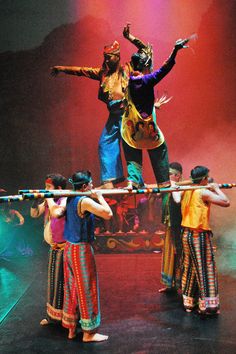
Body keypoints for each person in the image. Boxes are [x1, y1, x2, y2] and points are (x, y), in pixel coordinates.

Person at [50, 24, 149, 188]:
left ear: (117, 56)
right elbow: (81, 71)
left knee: (130, 147)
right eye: (105, 57)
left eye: (109, 57)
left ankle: (136, 180)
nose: (106, 60)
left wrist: (129, 37)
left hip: (127, 115)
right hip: (113, 116)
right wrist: (62, 69)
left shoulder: (128, 68)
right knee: (105, 144)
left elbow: (145, 50)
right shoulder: (103, 73)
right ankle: (110, 179)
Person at [47, 170, 112, 341]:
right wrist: (100, 196)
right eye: (90, 183)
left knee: (72, 289)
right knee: (86, 288)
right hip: (81, 250)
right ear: (84, 186)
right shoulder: (84, 201)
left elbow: (57, 212)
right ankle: (89, 333)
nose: (93, 185)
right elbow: (108, 214)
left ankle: (71, 329)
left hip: (69, 248)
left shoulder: (69, 197)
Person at [121, 37, 190, 189]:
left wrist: (153, 105)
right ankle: (164, 182)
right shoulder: (146, 80)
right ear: (146, 65)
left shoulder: (128, 80)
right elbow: (165, 69)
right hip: (146, 129)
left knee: (132, 151)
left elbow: (139, 104)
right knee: (160, 149)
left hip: (131, 129)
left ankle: (132, 182)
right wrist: (175, 51)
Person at [172, 166, 230, 315]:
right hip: (198, 235)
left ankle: (189, 303)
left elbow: (176, 198)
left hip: (186, 234)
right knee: (205, 268)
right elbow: (226, 202)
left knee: (190, 267)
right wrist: (216, 188)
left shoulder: (187, 190)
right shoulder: (203, 192)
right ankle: (207, 306)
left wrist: (174, 187)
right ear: (204, 179)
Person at [30, 173, 67, 326]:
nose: (45, 190)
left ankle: (67, 317)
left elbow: (56, 213)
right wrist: (36, 200)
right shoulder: (48, 201)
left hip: (65, 249)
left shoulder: (65, 199)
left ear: (58, 188)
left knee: (65, 285)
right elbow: (34, 214)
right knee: (52, 284)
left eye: (48, 187)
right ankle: (52, 317)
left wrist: (48, 199)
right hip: (53, 248)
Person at [159, 162, 183, 293]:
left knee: (179, 255)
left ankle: (183, 285)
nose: (167, 177)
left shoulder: (182, 188)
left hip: (179, 227)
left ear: (178, 176)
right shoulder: (168, 187)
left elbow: (178, 201)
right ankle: (170, 285)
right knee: (169, 255)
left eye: (170, 175)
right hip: (169, 227)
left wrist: (174, 186)